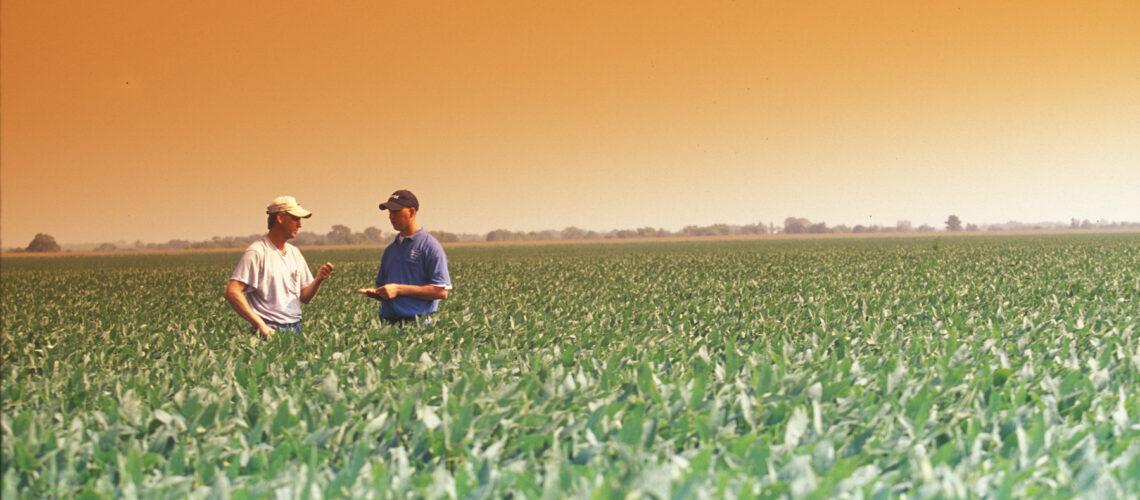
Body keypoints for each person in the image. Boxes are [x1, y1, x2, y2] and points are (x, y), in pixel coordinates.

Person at [225, 196, 334, 338]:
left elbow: (305, 297)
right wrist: (261, 326)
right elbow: (232, 292)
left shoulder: (294, 253)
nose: (300, 225)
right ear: (280, 218)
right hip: (270, 329)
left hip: (295, 328)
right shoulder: (257, 251)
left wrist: (319, 279)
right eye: (295, 219)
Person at [357, 189, 451, 325]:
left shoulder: (430, 246)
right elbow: (387, 288)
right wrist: (378, 294)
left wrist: (398, 289)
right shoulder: (390, 250)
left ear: (412, 212)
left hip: (417, 326)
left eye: (396, 212)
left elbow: (441, 291)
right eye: (390, 213)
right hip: (387, 325)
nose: (391, 217)